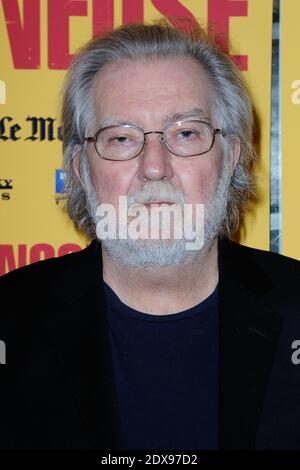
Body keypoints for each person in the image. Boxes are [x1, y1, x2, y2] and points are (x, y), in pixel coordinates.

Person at [0, 21, 299, 451]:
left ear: (231, 157)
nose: (154, 167)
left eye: (186, 133)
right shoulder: (10, 319)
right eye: (121, 138)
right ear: (82, 169)